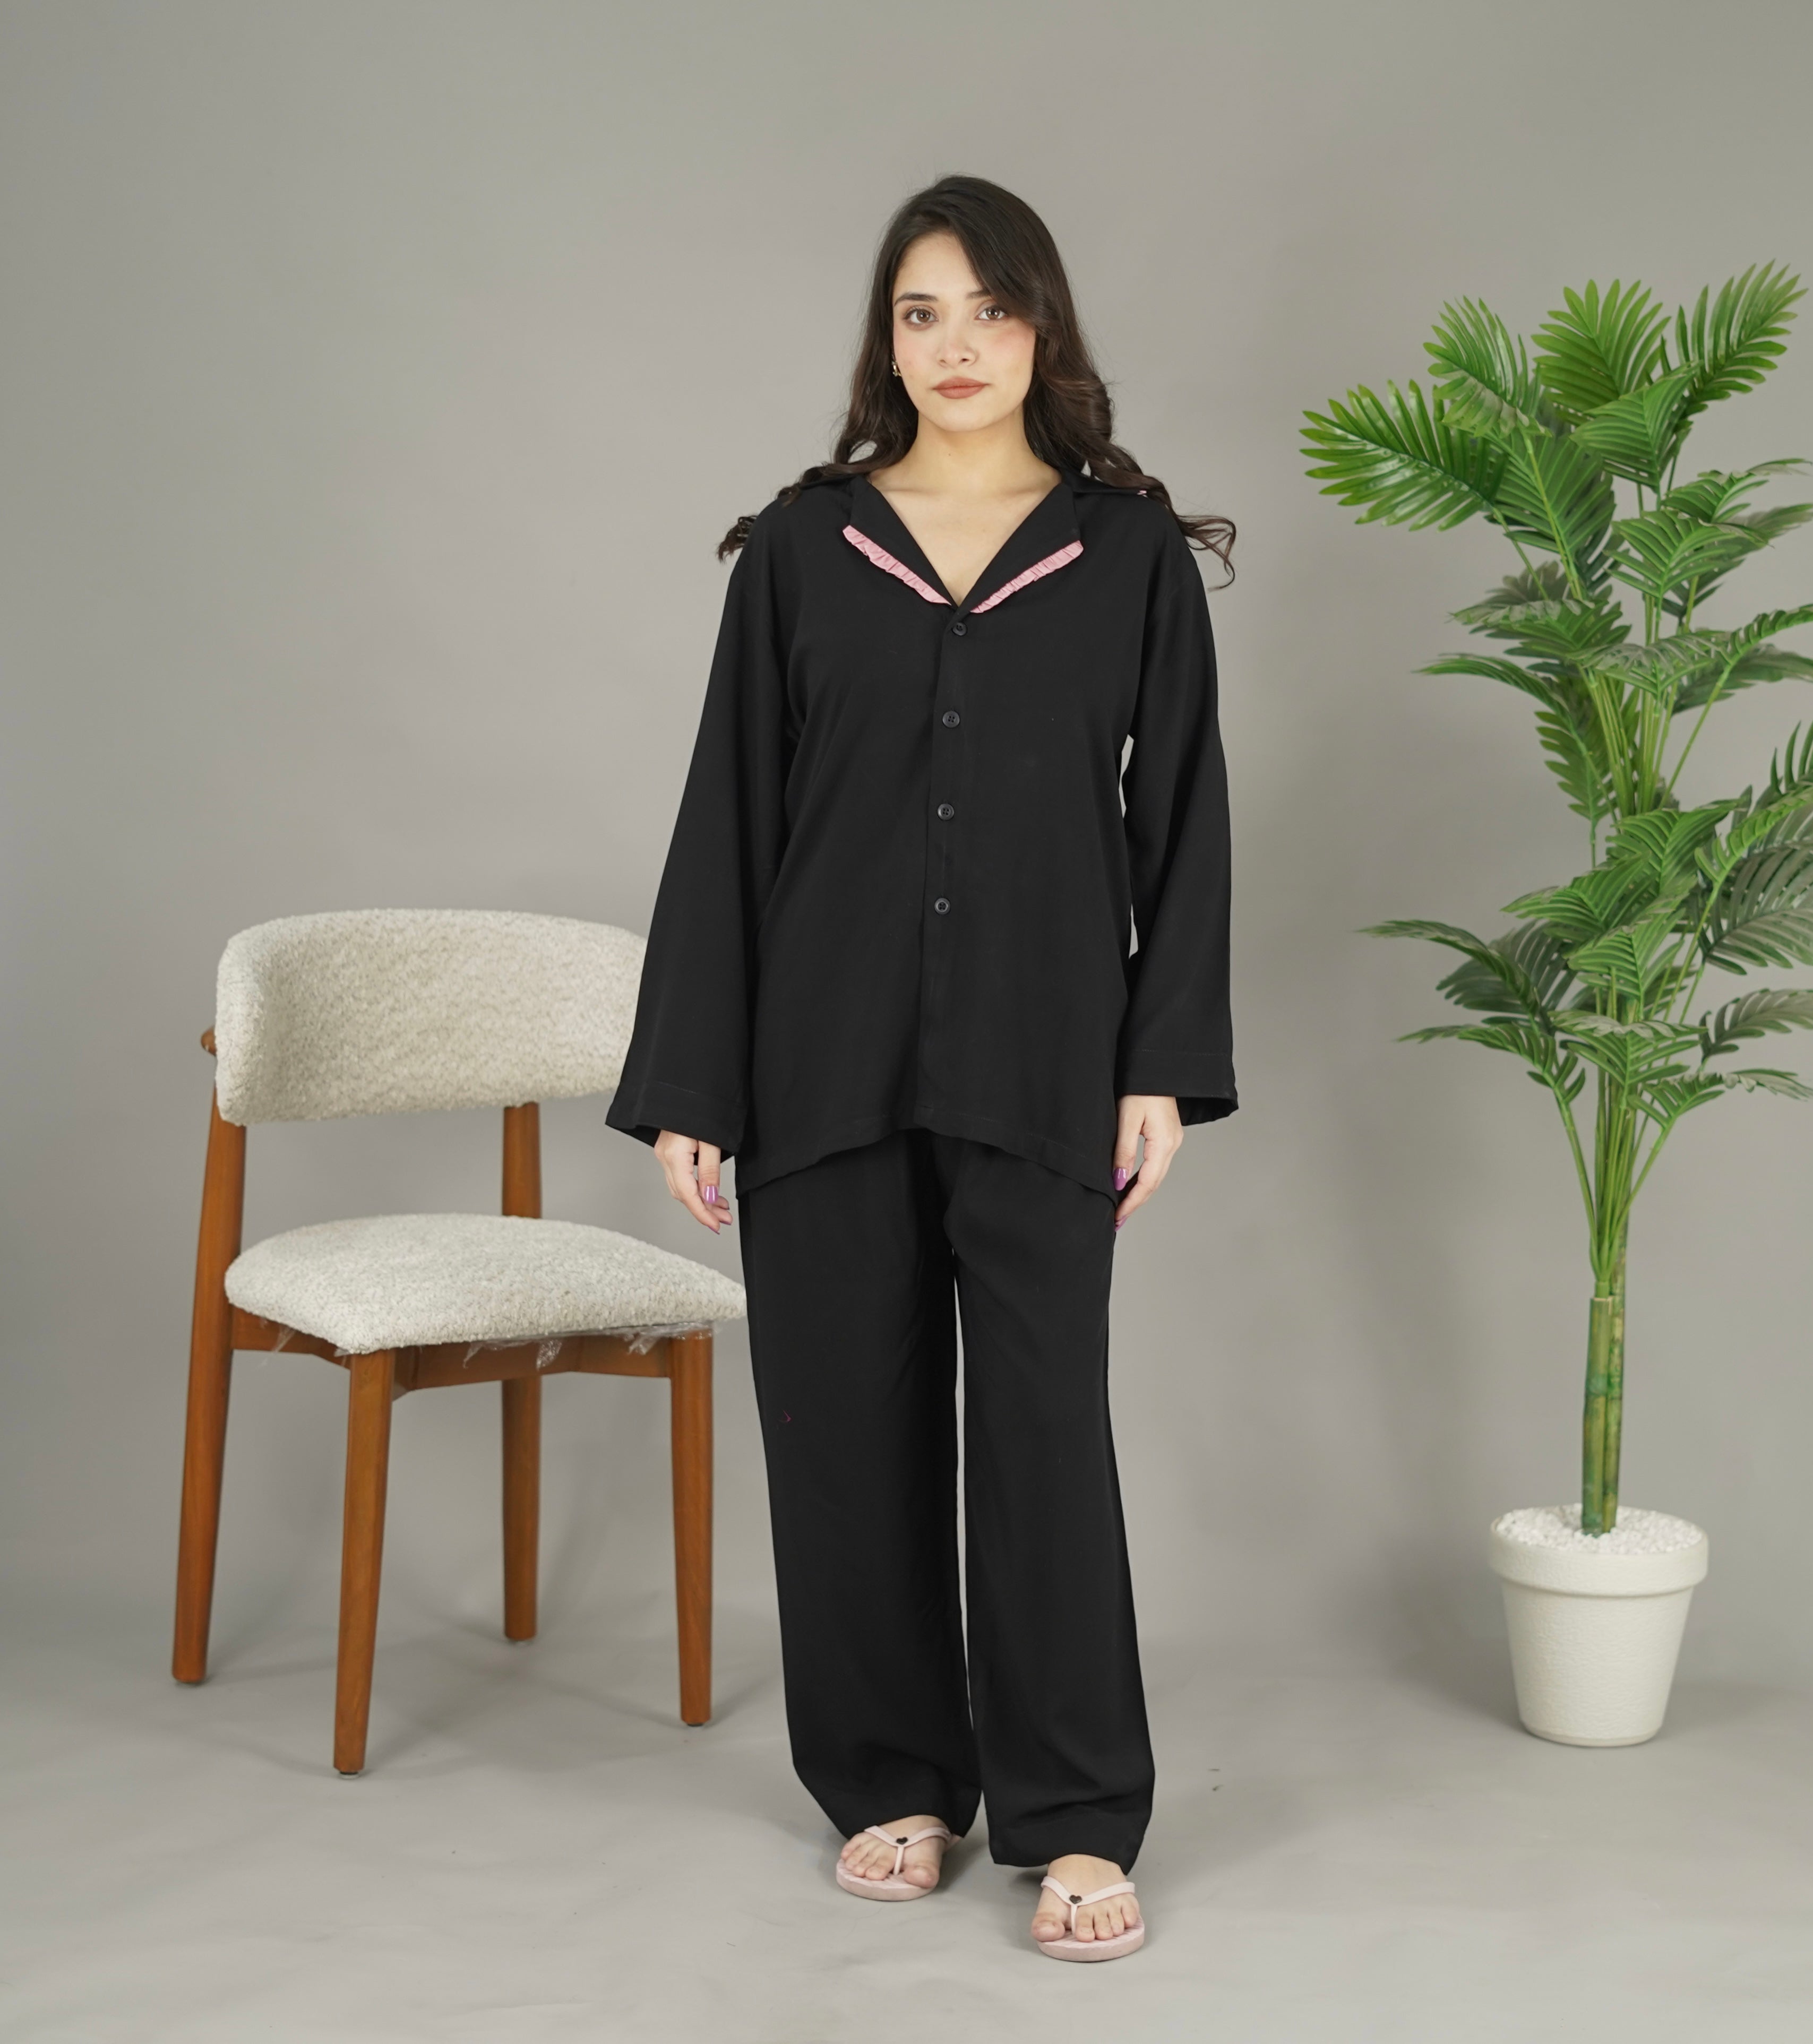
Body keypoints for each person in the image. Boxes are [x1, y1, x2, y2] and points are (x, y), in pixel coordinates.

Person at [607, 173, 1235, 1962]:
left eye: (990, 309)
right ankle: (891, 1778)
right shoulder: (805, 549)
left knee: (1043, 1436)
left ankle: (1076, 1810)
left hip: (1045, 1060)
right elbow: (731, 819)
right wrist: (697, 1079)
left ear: (1044, 327)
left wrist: (1158, 1066)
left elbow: (1183, 821)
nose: (956, 346)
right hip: (819, 1061)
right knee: (843, 1432)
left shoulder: (1125, 555)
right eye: (919, 312)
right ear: (885, 340)